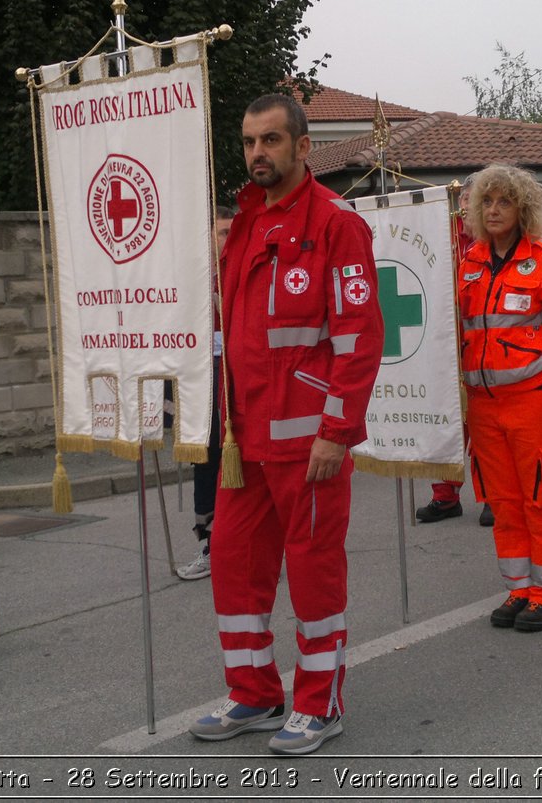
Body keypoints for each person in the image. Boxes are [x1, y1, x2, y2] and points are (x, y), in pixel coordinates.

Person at [187, 94, 383, 756]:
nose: (257, 153)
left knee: (313, 572)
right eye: (248, 142)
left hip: (308, 441)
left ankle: (318, 702)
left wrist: (337, 428)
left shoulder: (336, 224)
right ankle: (254, 692)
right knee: (235, 565)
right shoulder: (244, 223)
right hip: (245, 441)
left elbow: (358, 336)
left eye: (270, 140)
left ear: (303, 146)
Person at [456, 164, 542, 632]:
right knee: (504, 504)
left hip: (535, 402)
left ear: (523, 207)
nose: (493, 210)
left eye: (504, 201)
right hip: (485, 406)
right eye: (486, 201)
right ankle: (519, 589)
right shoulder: (470, 260)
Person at [418, 176, 491, 527]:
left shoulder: (492, 241)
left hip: (483, 346)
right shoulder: (443, 235)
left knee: (483, 425)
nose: (464, 205)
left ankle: (491, 495)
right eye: (463, 197)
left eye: (471, 199)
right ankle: (444, 496)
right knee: (447, 421)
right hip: (446, 344)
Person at [177, 206, 237, 581]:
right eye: (220, 232)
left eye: (232, 231)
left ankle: (247, 546)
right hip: (202, 378)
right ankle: (209, 544)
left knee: (238, 463)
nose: (226, 239)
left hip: (235, 377)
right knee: (205, 460)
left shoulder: (243, 274)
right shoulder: (195, 280)